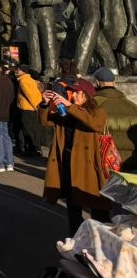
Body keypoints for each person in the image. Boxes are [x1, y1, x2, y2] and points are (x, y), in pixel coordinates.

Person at [40, 79, 111, 235]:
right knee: (73, 210)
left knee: (98, 209)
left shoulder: (97, 112)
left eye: (78, 92)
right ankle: (77, 242)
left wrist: (70, 106)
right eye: (73, 92)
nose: (73, 95)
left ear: (87, 95)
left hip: (89, 168)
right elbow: (45, 121)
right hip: (68, 165)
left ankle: (105, 242)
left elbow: (94, 123)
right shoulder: (66, 112)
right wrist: (44, 103)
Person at [93, 67, 137, 170]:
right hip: (131, 163)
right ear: (114, 83)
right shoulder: (133, 106)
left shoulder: (94, 104)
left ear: (97, 82)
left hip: (107, 162)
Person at [15, 65, 43, 156]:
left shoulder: (23, 80)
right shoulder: (29, 79)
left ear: (23, 71)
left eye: (18, 70)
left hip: (27, 108)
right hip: (32, 107)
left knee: (28, 129)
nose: (16, 71)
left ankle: (32, 149)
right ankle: (36, 148)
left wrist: (35, 105)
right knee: (34, 129)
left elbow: (29, 94)